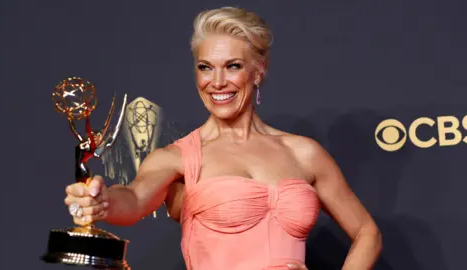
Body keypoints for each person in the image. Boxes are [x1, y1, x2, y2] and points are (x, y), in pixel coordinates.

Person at [64, 6, 382, 270]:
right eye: (205, 67)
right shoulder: (178, 157)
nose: (217, 82)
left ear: (258, 71)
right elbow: (133, 200)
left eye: (232, 66)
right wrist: (102, 203)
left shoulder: (304, 153)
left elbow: (367, 232)